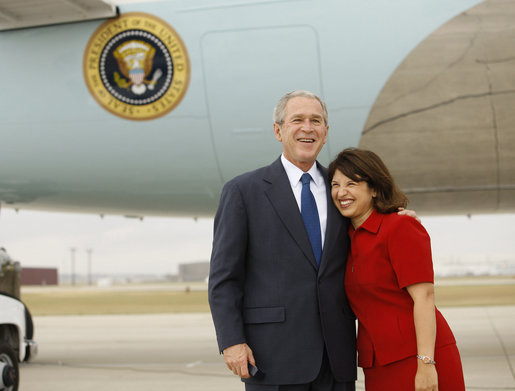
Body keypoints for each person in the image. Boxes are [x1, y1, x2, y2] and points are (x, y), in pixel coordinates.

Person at [208, 90, 416, 390]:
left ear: (326, 132)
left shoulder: (341, 191)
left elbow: (372, 223)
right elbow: (224, 278)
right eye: (298, 120)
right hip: (272, 357)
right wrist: (231, 342)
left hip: (337, 358)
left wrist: (399, 217)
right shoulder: (244, 191)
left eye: (316, 121)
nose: (308, 128)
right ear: (278, 130)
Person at [328, 148, 465, 391]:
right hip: (378, 364)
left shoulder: (400, 227)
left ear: (375, 188)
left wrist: (425, 364)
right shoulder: (344, 240)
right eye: (335, 184)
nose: (341, 192)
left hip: (417, 357)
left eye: (352, 183)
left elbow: (424, 297)